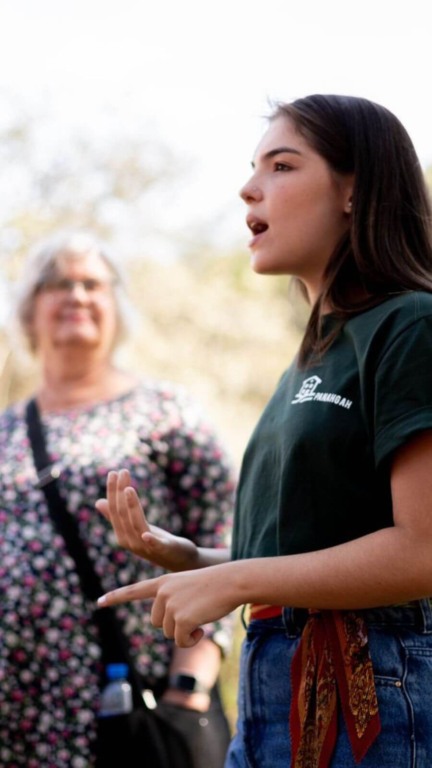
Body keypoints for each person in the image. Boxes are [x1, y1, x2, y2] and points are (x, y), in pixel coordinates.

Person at [96, 94, 432, 768]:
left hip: (372, 686)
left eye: (282, 165)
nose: (249, 187)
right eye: (254, 167)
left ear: (353, 191)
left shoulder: (410, 325)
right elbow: (314, 553)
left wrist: (236, 581)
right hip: (270, 685)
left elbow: (421, 550)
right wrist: (198, 562)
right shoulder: (311, 356)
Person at [0, 230, 235, 767]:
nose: (77, 296)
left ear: (116, 307)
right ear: (30, 308)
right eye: (59, 283)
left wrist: (188, 686)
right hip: (21, 710)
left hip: (136, 704)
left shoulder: (165, 411)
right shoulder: (7, 428)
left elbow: (229, 538)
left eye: (93, 284)